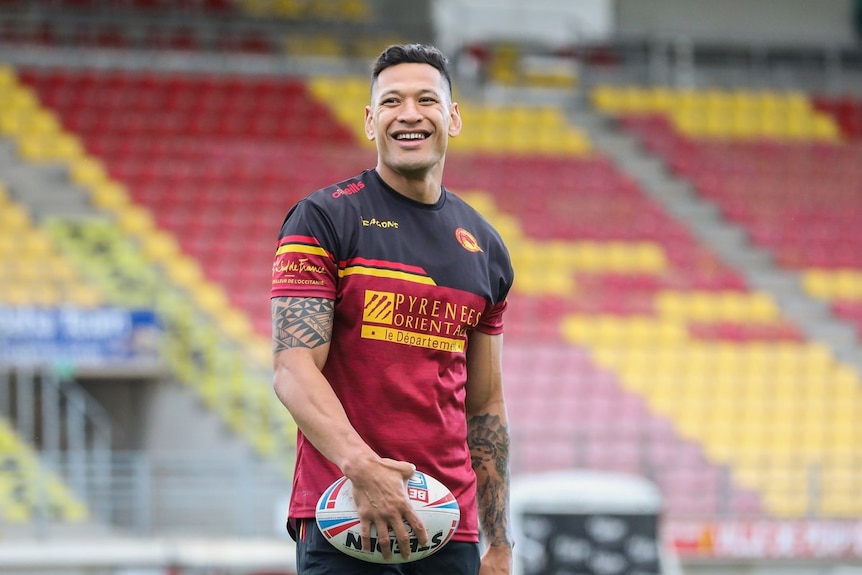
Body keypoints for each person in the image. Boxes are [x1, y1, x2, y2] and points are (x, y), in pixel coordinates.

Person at [270, 43, 515, 575]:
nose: (409, 114)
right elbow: (292, 369)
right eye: (391, 101)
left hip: (450, 523)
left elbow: (485, 406)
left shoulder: (485, 246)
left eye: (427, 100)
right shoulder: (323, 218)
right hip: (343, 510)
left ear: (452, 118)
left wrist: (499, 539)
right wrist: (362, 466)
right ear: (369, 120)